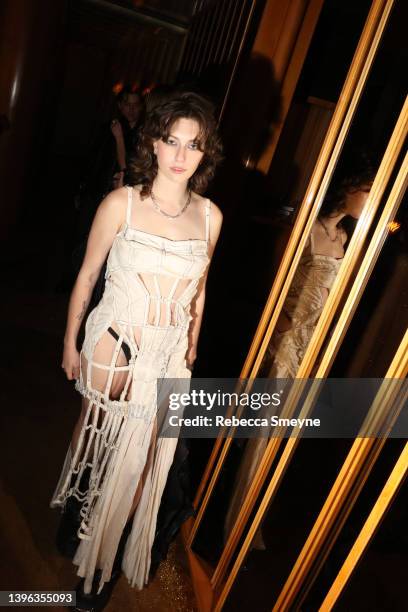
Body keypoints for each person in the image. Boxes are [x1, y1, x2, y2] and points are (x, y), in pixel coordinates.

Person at [50, 91, 223, 611]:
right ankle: (78, 524)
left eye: (193, 145)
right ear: (153, 141)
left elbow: (201, 288)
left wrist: (192, 343)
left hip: (166, 354)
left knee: (144, 464)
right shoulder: (120, 202)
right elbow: (87, 275)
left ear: (205, 152)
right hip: (113, 340)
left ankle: (96, 572)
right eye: (172, 140)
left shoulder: (211, 217)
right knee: (96, 443)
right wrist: (69, 340)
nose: (181, 154)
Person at [224, 158, 375, 550]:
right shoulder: (309, 231)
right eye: (368, 191)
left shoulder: (347, 237)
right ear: (350, 189)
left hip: (316, 348)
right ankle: (237, 525)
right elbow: (275, 287)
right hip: (287, 344)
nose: (370, 200)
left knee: (283, 438)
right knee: (263, 435)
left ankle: (254, 514)